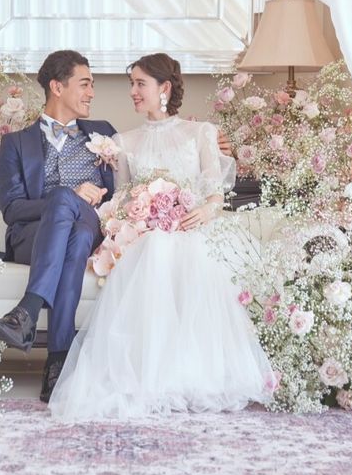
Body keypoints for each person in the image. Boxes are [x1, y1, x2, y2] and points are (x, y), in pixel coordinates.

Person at [48, 53, 274, 420]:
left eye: (140, 84)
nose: (132, 92)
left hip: (193, 228)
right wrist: (135, 217)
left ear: (164, 87)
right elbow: (122, 199)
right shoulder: (123, 142)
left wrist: (204, 211)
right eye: (131, 84)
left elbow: (215, 194)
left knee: (178, 250)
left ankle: (191, 373)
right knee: (155, 248)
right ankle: (147, 375)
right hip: (146, 235)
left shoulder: (201, 133)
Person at [0, 50, 116, 403]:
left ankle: (27, 312)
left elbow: (140, 162)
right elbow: (13, 209)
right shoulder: (16, 143)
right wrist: (66, 196)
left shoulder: (104, 134)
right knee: (72, 232)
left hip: (90, 224)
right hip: (34, 236)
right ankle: (58, 360)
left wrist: (209, 141)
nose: (91, 93)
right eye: (84, 84)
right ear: (57, 87)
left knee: (79, 227)